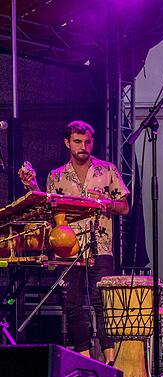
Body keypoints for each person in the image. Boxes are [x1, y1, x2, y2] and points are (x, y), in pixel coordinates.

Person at [19, 120, 129, 363]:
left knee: (104, 304)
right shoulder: (56, 176)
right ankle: (86, 360)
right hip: (68, 249)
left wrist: (105, 203)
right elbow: (48, 212)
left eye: (88, 141)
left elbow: (124, 207)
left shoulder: (107, 170)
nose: (84, 146)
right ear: (67, 143)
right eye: (78, 141)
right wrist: (33, 186)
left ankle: (110, 361)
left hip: (100, 247)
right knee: (73, 304)